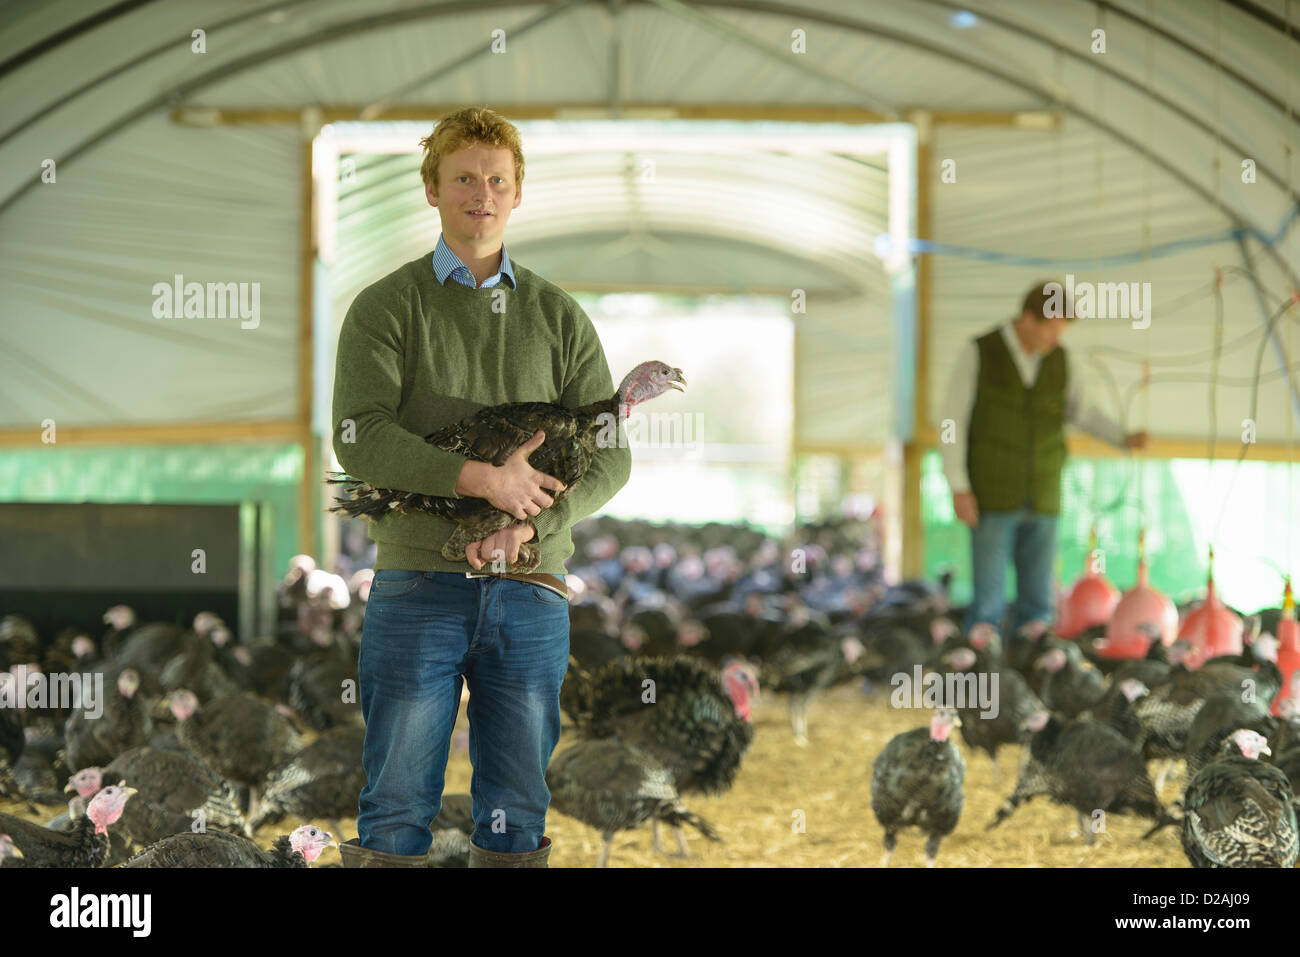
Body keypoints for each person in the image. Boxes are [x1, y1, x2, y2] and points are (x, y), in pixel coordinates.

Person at [331, 107, 632, 867]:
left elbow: (612, 456)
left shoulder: (559, 318)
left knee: (516, 806)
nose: (482, 193)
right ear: (431, 189)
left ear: (519, 194)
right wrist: (482, 481)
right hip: (419, 579)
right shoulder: (387, 307)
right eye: (463, 177)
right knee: (397, 798)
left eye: (498, 180)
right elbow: (357, 434)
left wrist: (528, 522)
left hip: (530, 585)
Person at [938, 280, 1148, 637]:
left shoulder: (1062, 361)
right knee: (988, 600)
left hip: (1044, 494)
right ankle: (982, 675)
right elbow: (950, 423)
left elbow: (1084, 412)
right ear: (1028, 319)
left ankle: (1030, 673)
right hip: (992, 494)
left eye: (1060, 331)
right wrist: (958, 485)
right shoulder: (979, 352)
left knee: (1038, 602)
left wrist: (1122, 438)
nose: (1056, 338)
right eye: (1051, 329)